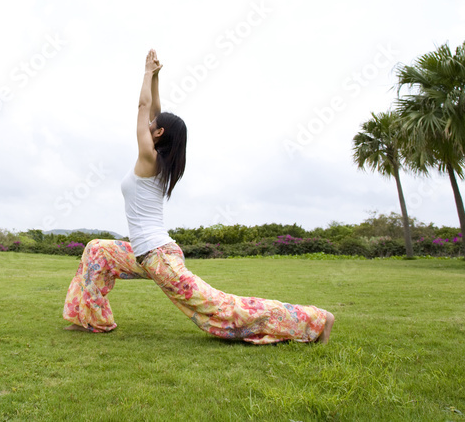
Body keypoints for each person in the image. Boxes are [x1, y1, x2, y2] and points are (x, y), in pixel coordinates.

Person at [62, 50, 335, 345]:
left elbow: (143, 108)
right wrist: (156, 76)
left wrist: (144, 72)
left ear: (157, 134)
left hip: (158, 257)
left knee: (219, 309)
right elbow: (154, 112)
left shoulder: (148, 159)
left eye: (152, 127)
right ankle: (93, 321)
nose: (147, 125)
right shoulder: (157, 158)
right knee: (97, 251)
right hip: (144, 254)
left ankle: (315, 320)